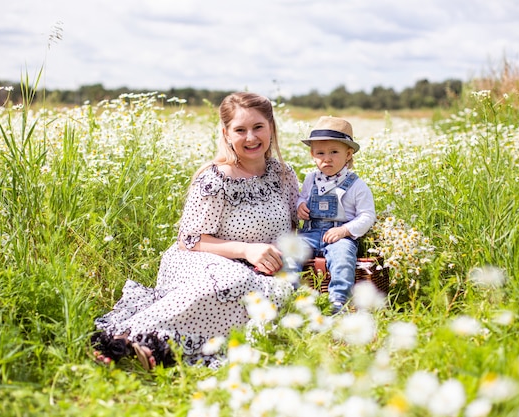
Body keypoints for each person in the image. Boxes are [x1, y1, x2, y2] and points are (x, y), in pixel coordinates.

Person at [92, 92, 300, 369]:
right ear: (226, 133)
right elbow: (190, 241)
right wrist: (246, 250)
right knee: (231, 278)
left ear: (271, 128)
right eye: (240, 130)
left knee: (258, 293)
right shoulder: (215, 178)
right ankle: (125, 337)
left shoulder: (285, 175)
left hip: (260, 272)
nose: (251, 138)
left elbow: (294, 232)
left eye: (258, 127)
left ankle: (161, 348)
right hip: (200, 260)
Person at [296, 116, 376, 315]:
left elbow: (367, 215)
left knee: (342, 259)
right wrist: (301, 206)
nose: (327, 158)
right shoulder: (310, 179)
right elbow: (301, 197)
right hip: (311, 232)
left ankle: (338, 301)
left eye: (334, 152)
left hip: (340, 235)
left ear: (348, 154)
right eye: (320, 153)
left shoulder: (356, 184)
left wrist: (344, 230)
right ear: (312, 155)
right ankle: (292, 294)